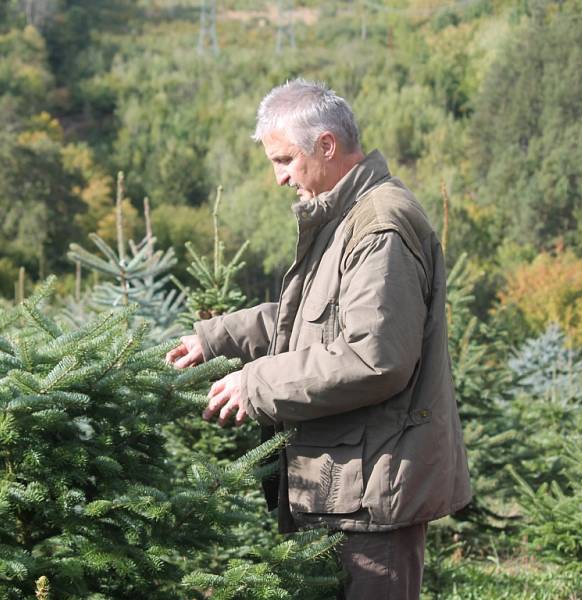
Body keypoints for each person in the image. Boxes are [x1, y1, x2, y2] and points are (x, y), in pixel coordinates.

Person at [165, 79, 472, 600]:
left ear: (326, 146)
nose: (279, 177)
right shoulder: (342, 216)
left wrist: (254, 384)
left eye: (285, 160)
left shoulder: (379, 227)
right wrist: (217, 339)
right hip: (346, 481)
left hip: (374, 494)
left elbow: (374, 357)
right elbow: (309, 318)